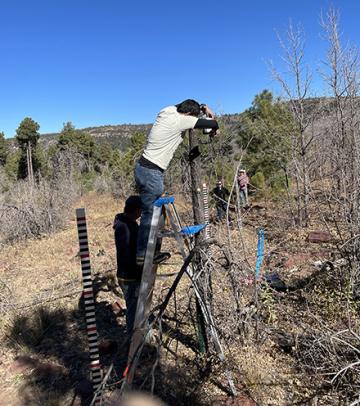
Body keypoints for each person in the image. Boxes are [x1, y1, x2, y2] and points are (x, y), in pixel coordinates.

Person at [135, 99, 219, 266]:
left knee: (155, 214)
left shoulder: (167, 111)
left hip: (143, 168)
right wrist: (212, 119)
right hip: (152, 172)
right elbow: (212, 123)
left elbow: (184, 107)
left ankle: (150, 252)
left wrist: (202, 107)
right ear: (188, 115)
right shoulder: (181, 120)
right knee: (150, 214)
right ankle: (143, 256)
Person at [113, 195, 143, 342]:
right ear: (136, 210)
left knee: (136, 308)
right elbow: (128, 253)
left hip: (130, 274)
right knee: (133, 311)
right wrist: (141, 261)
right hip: (129, 276)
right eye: (140, 210)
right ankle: (132, 343)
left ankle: (139, 338)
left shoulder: (126, 223)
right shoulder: (125, 227)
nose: (141, 214)